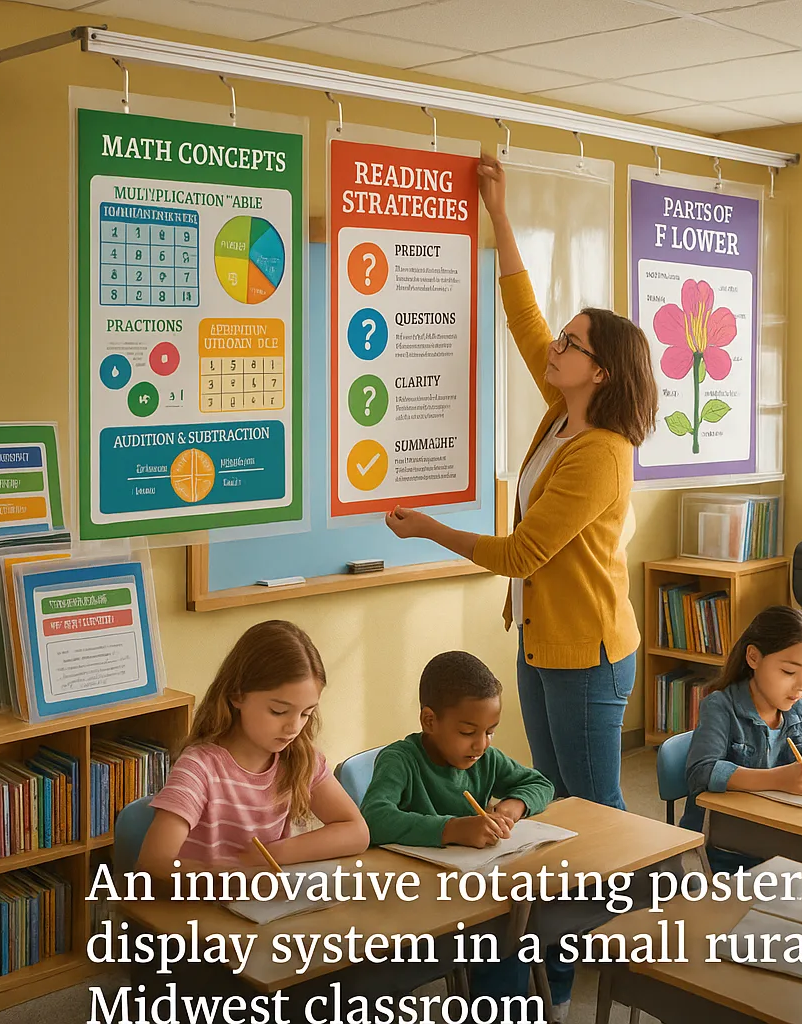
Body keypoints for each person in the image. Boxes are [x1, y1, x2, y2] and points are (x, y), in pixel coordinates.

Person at [385, 152, 659, 812]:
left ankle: (638, 905)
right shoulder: (562, 412)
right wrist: (499, 215)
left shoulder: (600, 453)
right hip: (541, 638)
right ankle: (576, 908)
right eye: (564, 339)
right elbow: (524, 317)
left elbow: (521, 554)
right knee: (558, 793)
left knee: (594, 800)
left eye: (571, 343)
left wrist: (428, 528)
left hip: (586, 651)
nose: (555, 348)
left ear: (601, 373)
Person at [360, 651, 561, 1007]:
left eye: (490, 733)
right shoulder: (400, 760)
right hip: (413, 895)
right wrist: (452, 829)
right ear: (429, 720)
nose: (481, 744)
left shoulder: (485, 759)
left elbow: (540, 783)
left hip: (473, 889)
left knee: (515, 930)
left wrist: (512, 807)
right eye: (468, 732)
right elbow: (373, 819)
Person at [137, 620, 369, 886]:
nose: (293, 727)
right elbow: (153, 862)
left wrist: (269, 855)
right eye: (278, 711)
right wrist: (236, 879)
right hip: (200, 914)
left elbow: (357, 832)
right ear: (237, 695)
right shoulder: (199, 768)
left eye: (306, 713)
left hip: (261, 913)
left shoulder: (301, 758)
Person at [683, 606, 802, 875]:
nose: (801, 686)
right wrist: (779, 778)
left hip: (784, 834)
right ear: (753, 657)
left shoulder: (800, 709)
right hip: (727, 847)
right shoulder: (720, 706)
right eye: (788, 672)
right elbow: (701, 772)